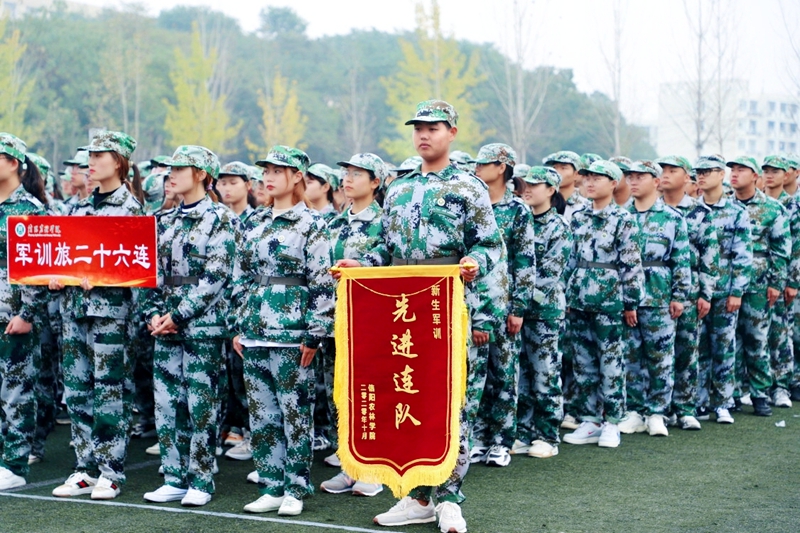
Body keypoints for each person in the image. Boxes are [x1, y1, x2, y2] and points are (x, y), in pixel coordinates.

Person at [372, 100, 503, 533]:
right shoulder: (398, 188)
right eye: (418, 128)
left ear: (452, 132)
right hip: (402, 309)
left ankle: (448, 498)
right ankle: (416, 496)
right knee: (409, 397)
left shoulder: (468, 187)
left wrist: (474, 262)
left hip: (447, 308)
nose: (424, 134)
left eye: (433, 127)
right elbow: (382, 246)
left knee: (452, 403)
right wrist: (360, 264)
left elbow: (490, 244)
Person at [231, 146, 334, 517]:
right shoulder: (255, 223)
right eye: (266, 171)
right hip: (255, 332)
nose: (269, 177)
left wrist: (315, 333)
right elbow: (240, 276)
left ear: (297, 176)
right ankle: (271, 484)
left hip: (292, 334)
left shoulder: (313, 224)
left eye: (278, 171)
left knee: (295, 414)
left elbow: (323, 282)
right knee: (262, 415)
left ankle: (295, 486)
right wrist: (238, 324)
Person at [50, 131, 144, 500]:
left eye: (99, 156)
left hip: (110, 315)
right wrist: (55, 276)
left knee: (109, 391)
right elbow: (63, 255)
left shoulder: (131, 209)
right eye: (89, 156)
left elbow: (138, 269)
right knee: (77, 391)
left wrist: (103, 277)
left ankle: (110, 470)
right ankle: (84, 468)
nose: (90, 162)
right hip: (75, 311)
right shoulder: (77, 208)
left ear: (118, 162)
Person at [142, 145, 237, 507]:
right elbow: (150, 273)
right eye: (171, 168)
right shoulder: (164, 220)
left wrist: (178, 315)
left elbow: (216, 276)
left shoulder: (221, 219)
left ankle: (201, 478)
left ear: (201, 174)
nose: (172, 174)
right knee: (168, 404)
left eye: (181, 168)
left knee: (201, 404)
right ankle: (174, 476)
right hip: (165, 326)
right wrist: (153, 314)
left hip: (202, 327)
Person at [320, 152, 389, 497]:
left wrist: (364, 267)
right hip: (337, 320)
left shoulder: (385, 223)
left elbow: (391, 263)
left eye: (357, 174)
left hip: (371, 320)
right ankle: (349, 464)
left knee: (372, 393)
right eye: (346, 173)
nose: (347, 179)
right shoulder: (335, 224)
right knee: (341, 393)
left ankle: (373, 469)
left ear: (375, 182)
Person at [562, 160, 644, 449]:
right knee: (583, 363)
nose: (590, 183)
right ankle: (590, 419)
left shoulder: (623, 219)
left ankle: (612, 421)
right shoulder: (578, 217)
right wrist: (565, 292)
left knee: (611, 364)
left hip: (610, 300)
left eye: (598, 178)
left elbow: (631, 264)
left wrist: (631, 302)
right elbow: (569, 258)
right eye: (587, 178)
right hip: (579, 299)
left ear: (613, 183)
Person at [471, 143, 536, 468]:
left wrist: (518, 308)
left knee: (504, 375)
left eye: (485, 164)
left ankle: (501, 441)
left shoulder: (517, 210)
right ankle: (479, 437)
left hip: (504, 303)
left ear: (502, 168)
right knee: (475, 374)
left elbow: (525, 262)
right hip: (473, 303)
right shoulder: (473, 205)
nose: (478, 169)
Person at [618, 161, 691, 437]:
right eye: (631, 177)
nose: (634, 182)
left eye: (641, 177)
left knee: (661, 357)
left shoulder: (672, 218)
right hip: (627, 295)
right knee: (631, 356)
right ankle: (635, 411)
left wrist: (679, 296)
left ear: (656, 182)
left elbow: (681, 259)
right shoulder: (622, 215)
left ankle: (657, 411)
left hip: (659, 294)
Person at [0, 133, 49, 491]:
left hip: (14, 314)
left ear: (14, 163)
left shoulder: (30, 210)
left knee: (16, 392)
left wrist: (28, 314)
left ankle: (14, 464)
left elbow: (39, 270)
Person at [659, 155, 720, 431]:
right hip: (655, 291)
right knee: (654, 354)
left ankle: (684, 408)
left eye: (673, 171)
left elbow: (709, 256)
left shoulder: (699, 213)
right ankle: (656, 409)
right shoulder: (650, 209)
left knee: (686, 351)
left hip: (689, 292)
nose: (666, 175)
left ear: (687, 178)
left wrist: (706, 293)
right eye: (663, 170)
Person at [514, 166, 570, 458]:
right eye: (526, 184)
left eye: (535, 185)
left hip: (544, 312)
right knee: (521, 374)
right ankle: (522, 432)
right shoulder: (520, 220)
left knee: (545, 373)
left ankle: (548, 435)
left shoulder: (558, 226)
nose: (528, 189)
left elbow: (550, 275)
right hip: (517, 311)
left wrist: (520, 300)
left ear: (551, 190)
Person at [728, 156, 789, 417]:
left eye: (741, 170)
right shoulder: (725, 205)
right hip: (728, 281)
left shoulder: (772, 208)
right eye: (732, 170)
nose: (734, 174)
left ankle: (760, 393)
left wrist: (776, 283)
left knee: (756, 338)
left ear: (755, 176)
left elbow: (781, 249)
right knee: (729, 340)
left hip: (758, 282)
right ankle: (731, 393)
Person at [695, 154, 753, 424]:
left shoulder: (736, 212)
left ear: (721, 175)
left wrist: (737, 291)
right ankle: (698, 401)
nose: (701, 176)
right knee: (698, 348)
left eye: (708, 171)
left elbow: (743, 254)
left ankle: (722, 402)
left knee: (724, 346)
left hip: (724, 288)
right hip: (696, 290)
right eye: (699, 172)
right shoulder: (691, 210)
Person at [761, 155, 799, 408]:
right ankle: (757, 386)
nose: (770, 175)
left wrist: (792, 282)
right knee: (757, 334)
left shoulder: (792, 206)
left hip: (782, 278)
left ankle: (783, 385)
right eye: (766, 171)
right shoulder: (758, 202)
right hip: (757, 278)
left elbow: (795, 248)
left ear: (786, 175)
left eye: (775, 171)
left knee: (780, 332)